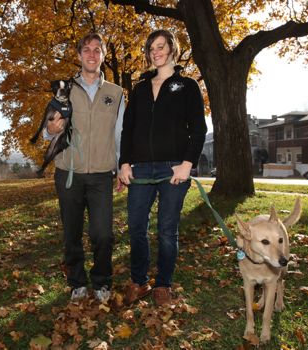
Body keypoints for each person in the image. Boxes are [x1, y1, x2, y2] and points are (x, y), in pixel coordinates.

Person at [118, 29, 207, 306]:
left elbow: (199, 129)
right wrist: (123, 162)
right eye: (151, 48)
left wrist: (187, 164)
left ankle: (163, 285)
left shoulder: (188, 85)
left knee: (167, 230)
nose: (155, 52)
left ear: (172, 49)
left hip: (174, 169)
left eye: (160, 46)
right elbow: (128, 130)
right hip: (141, 169)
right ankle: (140, 281)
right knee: (136, 227)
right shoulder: (141, 88)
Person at [45, 32, 124, 303]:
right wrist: (50, 129)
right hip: (68, 174)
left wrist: (121, 167)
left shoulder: (115, 92)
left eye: (97, 50)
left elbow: (120, 133)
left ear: (102, 56)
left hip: (102, 174)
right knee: (72, 234)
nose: (91, 54)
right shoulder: (64, 89)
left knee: (103, 234)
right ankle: (77, 282)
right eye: (86, 50)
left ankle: (102, 282)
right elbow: (49, 129)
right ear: (79, 55)